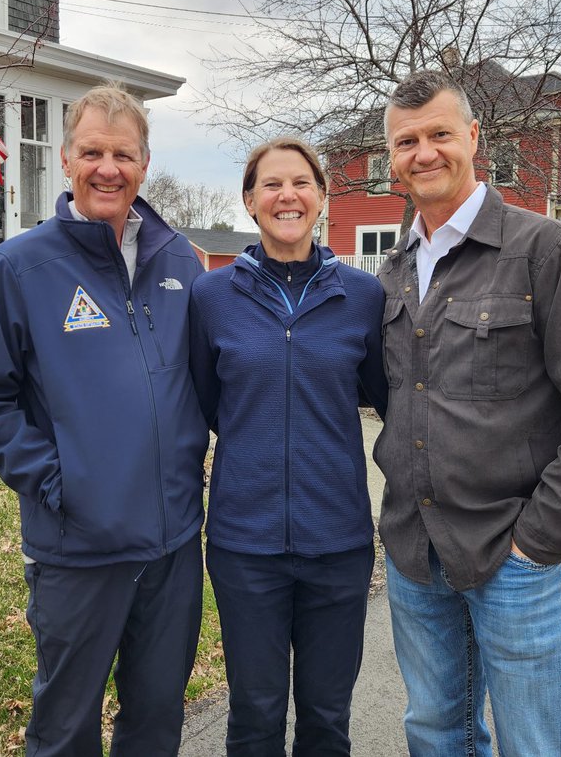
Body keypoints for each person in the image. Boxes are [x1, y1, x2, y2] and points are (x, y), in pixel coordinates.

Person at [373, 70, 561, 756]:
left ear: (474, 137)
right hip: (416, 554)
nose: (424, 152)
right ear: (392, 158)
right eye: (407, 141)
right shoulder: (394, 271)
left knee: (539, 744)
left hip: (513, 558)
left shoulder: (548, 252)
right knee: (436, 732)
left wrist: (541, 539)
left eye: (440, 133)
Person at [0, 84, 209, 757]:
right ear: (66, 160)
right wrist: (62, 483)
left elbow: (204, 383)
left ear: (145, 164)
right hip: (78, 551)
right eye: (92, 151)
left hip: (173, 546)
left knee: (156, 724)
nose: (108, 168)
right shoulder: (21, 267)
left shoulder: (180, 260)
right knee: (65, 732)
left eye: (123, 154)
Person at [188, 136, 388, 756]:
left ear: (323, 198)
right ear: (250, 202)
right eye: (271, 185)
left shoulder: (362, 297)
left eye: (301, 183)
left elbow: (388, 398)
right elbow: (204, 404)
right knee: (255, 712)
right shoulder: (211, 299)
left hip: (339, 542)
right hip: (245, 546)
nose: (287, 196)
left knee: (328, 716)